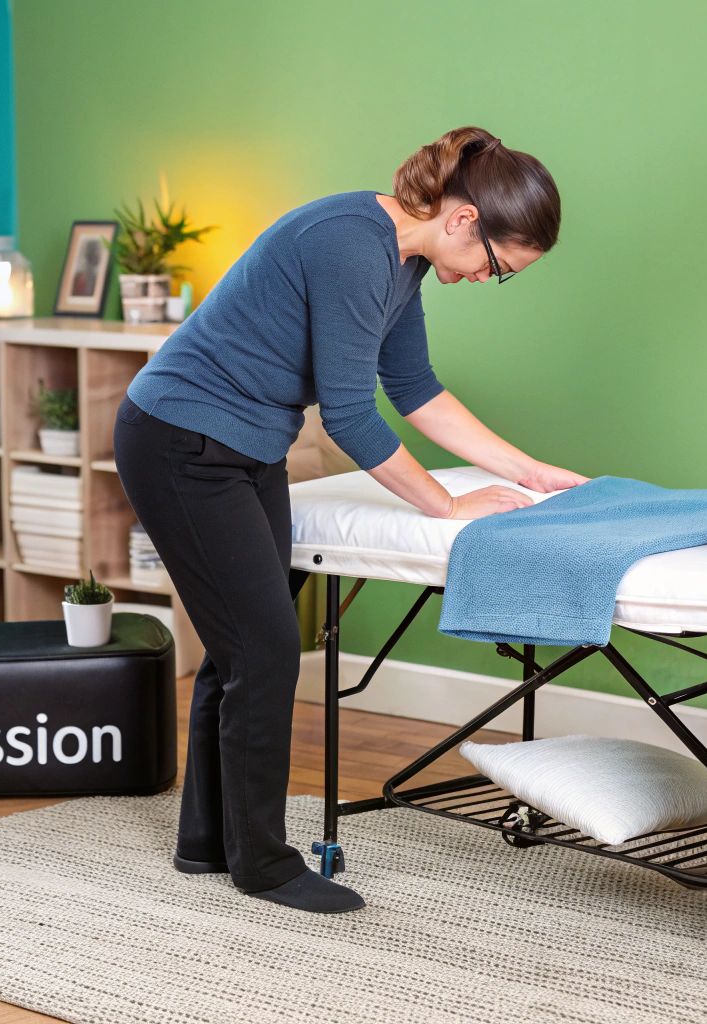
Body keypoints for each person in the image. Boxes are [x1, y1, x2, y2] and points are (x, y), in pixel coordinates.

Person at [113, 125, 587, 914]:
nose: (485, 278)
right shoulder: (349, 244)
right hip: (180, 443)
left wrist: (530, 472)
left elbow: (415, 387)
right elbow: (349, 418)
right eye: (498, 267)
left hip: (243, 448)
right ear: (465, 221)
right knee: (262, 649)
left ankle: (207, 841)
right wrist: (446, 503)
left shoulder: (401, 266)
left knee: (241, 648)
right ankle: (262, 863)